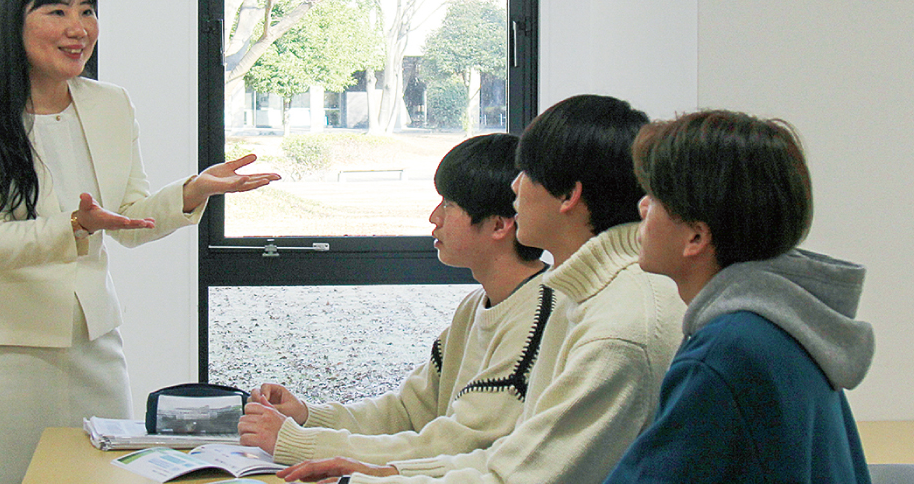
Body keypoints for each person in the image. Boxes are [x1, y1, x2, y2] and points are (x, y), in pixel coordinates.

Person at [0, 0, 279, 484]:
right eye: (57, 12)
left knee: (104, 478)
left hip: (92, 344)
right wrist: (75, 227)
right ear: (12, 23)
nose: (79, 29)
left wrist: (191, 191)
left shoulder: (110, 103)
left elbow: (131, 218)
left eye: (87, 11)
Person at [277, 94, 684, 484]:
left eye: (526, 175)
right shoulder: (582, 296)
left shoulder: (618, 326)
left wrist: (330, 458)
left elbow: (517, 474)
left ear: (568, 195)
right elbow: (508, 456)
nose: (514, 188)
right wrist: (384, 471)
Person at [238, 133, 550, 465]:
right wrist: (306, 416)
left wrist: (297, 442)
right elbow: (406, 411)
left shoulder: (540, 318)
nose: (435, 218)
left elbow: (454, 447)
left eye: (448, 204)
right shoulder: (475, 306)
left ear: (500, 224)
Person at [601, 110, 873, 483]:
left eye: (656, 197)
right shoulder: (789, 329)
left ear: (696, 237)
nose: (642, 207)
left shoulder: (726, 352)